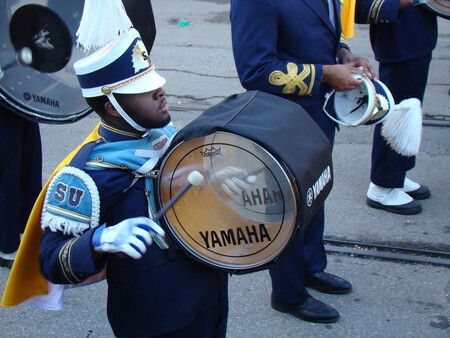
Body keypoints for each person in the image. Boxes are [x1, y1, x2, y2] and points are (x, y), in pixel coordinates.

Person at [37, 28, 228, 337]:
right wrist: (99, 239)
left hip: (209, 296)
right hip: (152, 319)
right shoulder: (87, 173)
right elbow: (50, 261)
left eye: (156, 82)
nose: (161, 91)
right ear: (113, 107)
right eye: (145, 89)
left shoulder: (165, 136)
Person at [231, 0, 373, 323]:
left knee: (314, 195)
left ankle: (311, 267)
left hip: (318, 116)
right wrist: (325, 74)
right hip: (284, 122)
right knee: (288, 207)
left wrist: (342, 55)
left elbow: (318, 32)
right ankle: (288, 293)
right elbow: (255, 70)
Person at [355, 0, 436, 214]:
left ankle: (397, 174)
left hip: (417, 35)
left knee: (411, 109)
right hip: (398, 40)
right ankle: (382, 185)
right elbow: (363, 6)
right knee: (396, 112)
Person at [0, 107, 42, 268]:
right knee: (9, 170)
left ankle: (22, 240)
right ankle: (8, 247)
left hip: (21, 99)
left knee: (27, 166)